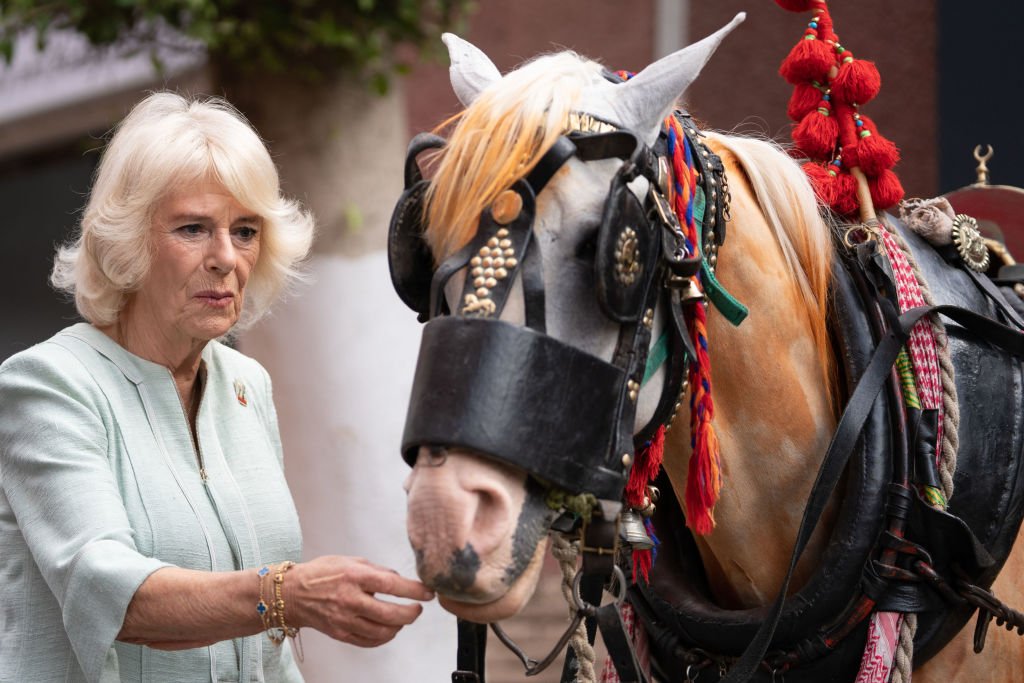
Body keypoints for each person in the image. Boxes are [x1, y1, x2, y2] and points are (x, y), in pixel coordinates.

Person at [0, 92, 434, 682]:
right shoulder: (48, 385)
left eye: (246, 230)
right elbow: (110, 593)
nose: (225, 257)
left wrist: (282, 602)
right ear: (129, 241)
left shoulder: (246, 385)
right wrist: (288, 595)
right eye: (192, 228)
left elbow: (268, 646)